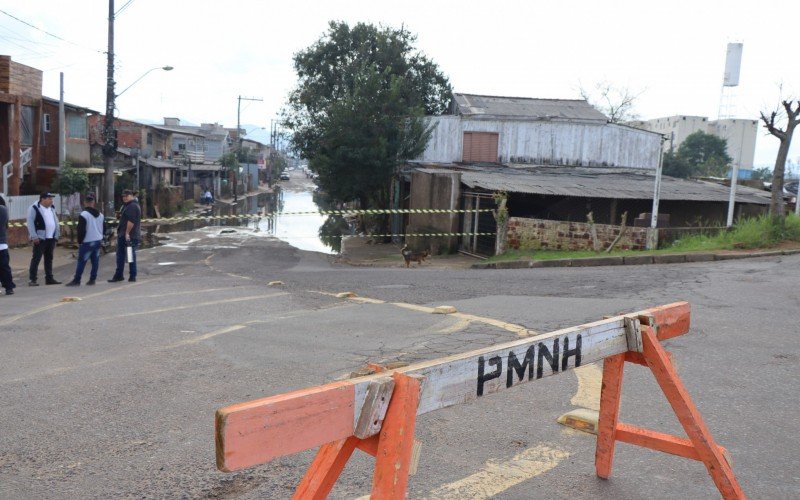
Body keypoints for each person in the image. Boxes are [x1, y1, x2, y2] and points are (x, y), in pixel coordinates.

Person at [65, 194, 104, 287]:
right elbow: (104, 228)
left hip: (87, 241)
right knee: (95, 261)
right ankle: (92, 280)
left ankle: (77, 280)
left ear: (85, 203)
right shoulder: (101, 215)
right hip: (98, 240)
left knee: (82, 261)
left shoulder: (84, 215)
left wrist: (79, 241)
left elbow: (81, 230)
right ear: (93, 203)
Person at [26, 192, 61, 286]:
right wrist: (34, 236)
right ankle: (32, 279)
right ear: (43, 199)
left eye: (51, 199)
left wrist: (57, 234)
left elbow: (56, 221)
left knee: (49, 259)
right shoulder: (34, 208)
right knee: (36, 258)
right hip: (40, 238)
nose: (51, 200)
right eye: (49, 198)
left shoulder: (52, 208)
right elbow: (30, 223)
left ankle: (49, 278)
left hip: (51, 238)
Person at [108, 189, 141, 283]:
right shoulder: (128, 206)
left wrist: (127, 233)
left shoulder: (133, 206)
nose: (124, 198)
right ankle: (120, 275)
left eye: (126, 196)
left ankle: (132, 276)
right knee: (121, 256)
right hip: (126, 235)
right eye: (123, 196)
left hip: (129, 236)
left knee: (129, 256)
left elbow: (131, 221)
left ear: (131, 196)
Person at [0, 195, 16, 295]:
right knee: (5, 267)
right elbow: (6, 226)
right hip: (2, 243)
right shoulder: (4, 210)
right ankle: (9, 287)